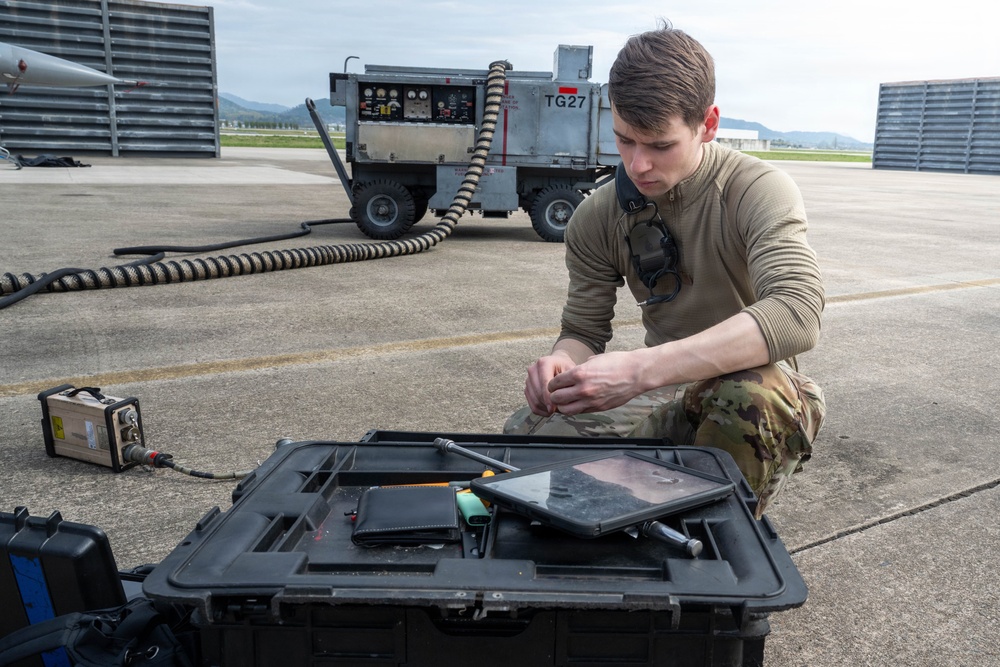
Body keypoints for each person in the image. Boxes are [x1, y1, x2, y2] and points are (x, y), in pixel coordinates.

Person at [504, 20, 827, 518]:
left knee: (750, 396)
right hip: (662, 390)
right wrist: (562, 365)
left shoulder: (756, 190)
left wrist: (639, 370)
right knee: (526, 439)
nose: (637, 165)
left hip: (755, 385)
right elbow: (584, 330)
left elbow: (797, 312)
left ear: (708, 124)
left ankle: (720, 534)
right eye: (624, 140)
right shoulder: (597, 216)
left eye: (660, 145)